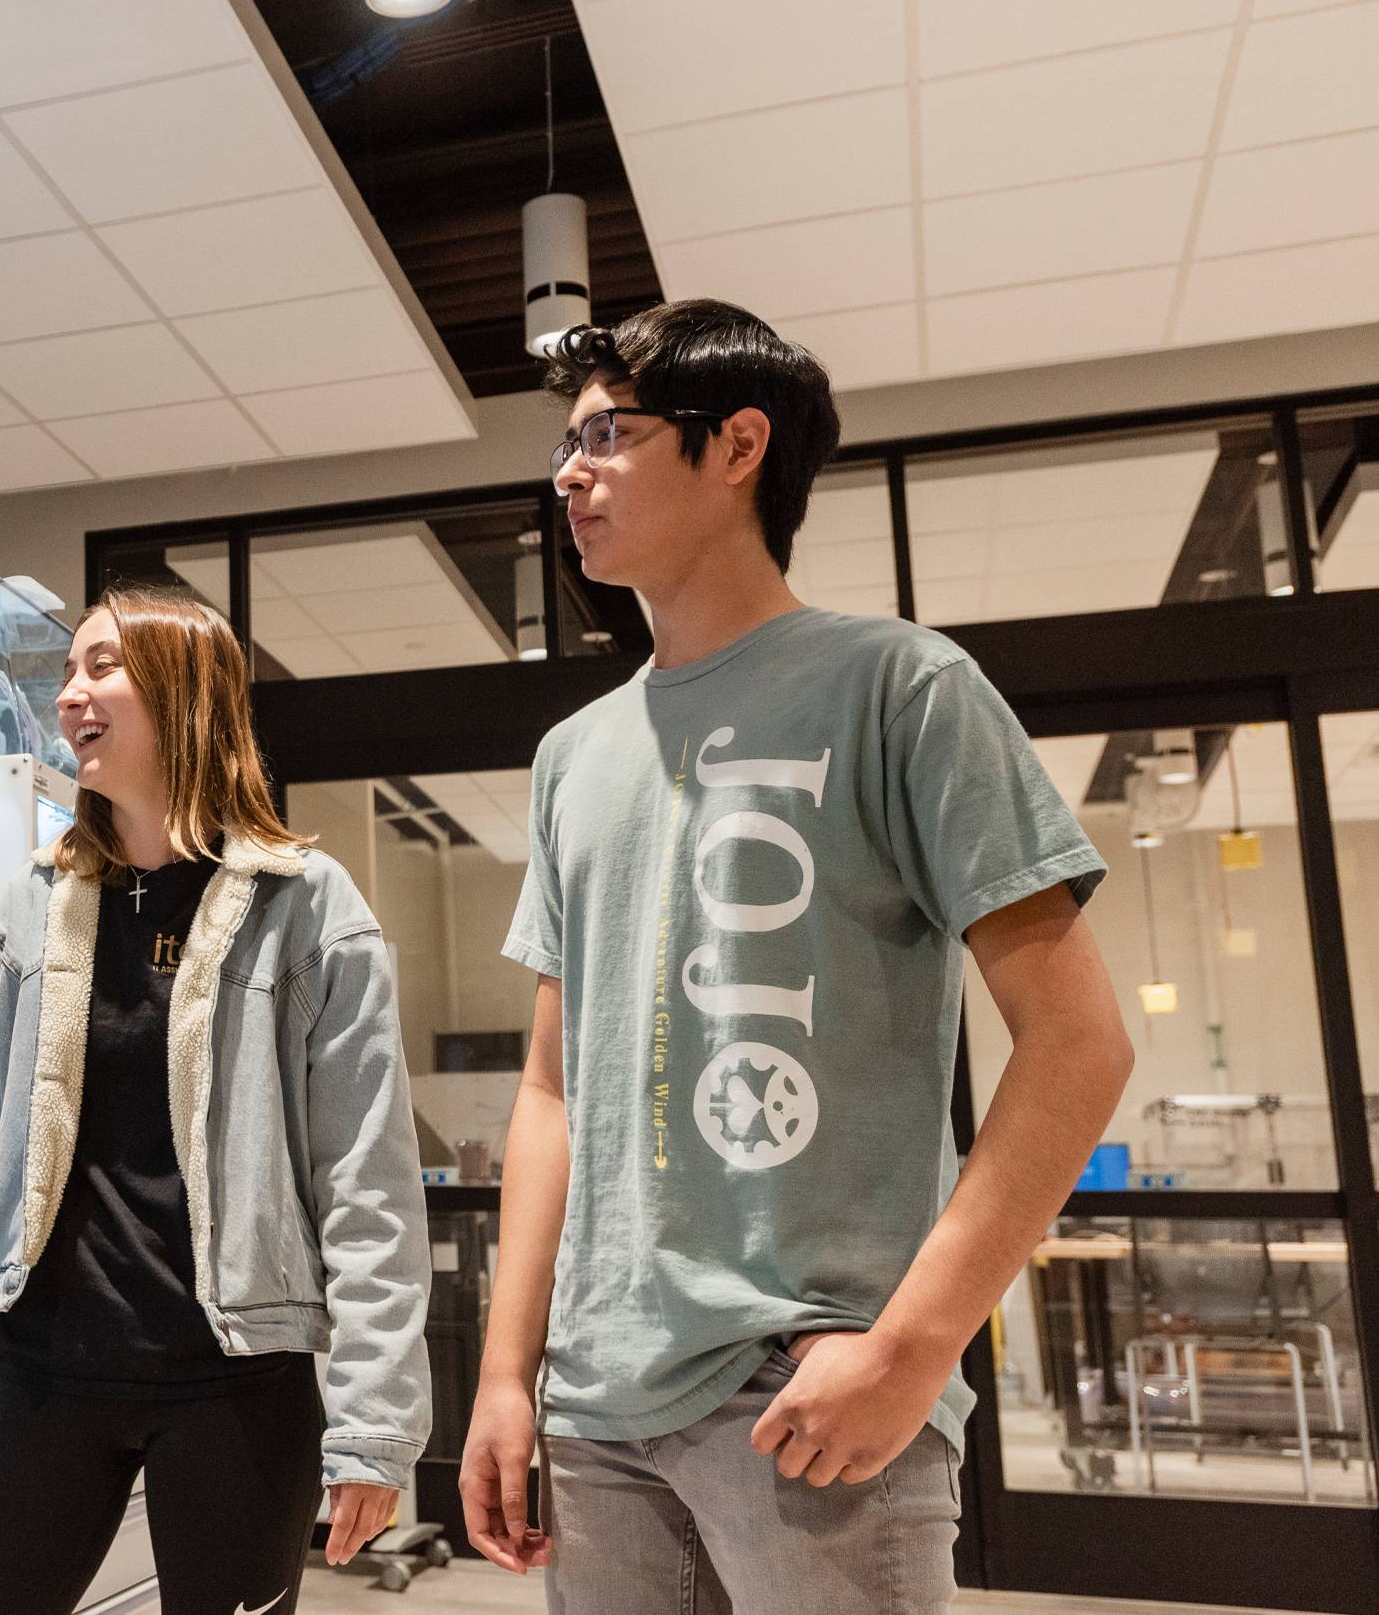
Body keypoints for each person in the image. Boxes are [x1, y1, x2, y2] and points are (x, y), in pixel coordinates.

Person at [459, 301, 1134, 1613]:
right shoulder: (573, 756)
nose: (570, 473)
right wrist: (505, 1372)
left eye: (611, 434)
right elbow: (550, 1091)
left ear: (737, 446)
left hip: (811, 1383)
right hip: (599, 1406)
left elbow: (1080, 1041)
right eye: (566, 444)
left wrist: (914, 1347)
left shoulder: (902, 686)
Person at [0, 587, 432, 1615]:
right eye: (66, 673)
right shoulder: (30, 908)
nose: (71, 695)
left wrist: (374, 1422)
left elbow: (369, 1186)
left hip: (236, 1380)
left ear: (185, 694)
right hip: (47, 1366)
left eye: (102, 667)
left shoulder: (307, 908)